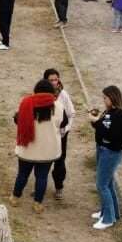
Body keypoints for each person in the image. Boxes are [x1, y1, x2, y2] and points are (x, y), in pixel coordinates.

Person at [13, 80, 63, 212]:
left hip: (27, 148)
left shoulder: (26, 103)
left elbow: (17, 120)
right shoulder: (57, 106)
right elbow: (61, 124)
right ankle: (37, 204)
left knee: (22, 174)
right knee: (42, 177)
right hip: (47, 149)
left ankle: (15, 197)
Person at [89, 85, 122, 230]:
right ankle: (110, 212)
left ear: (113, 97)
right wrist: (95, 121)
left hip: (111, 152)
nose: (104, 100)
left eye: (105, 98)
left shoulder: (121, 115)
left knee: (101, 184)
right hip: (102, 149)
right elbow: (102, 129)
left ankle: (108, 219)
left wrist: (97, 123)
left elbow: (112, 135)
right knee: (108, 183)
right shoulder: (109, 111)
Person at [42, 68, 74, 199]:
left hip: (61, 134)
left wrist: (66, 129)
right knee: (43, 161)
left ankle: (59, 187)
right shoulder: (41, 93)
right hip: (47, 133)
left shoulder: (63, 95)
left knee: (60, 161)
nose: (54, 82)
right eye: (51, 80)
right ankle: (41, 186)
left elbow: (71, 113)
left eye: (56, 79)